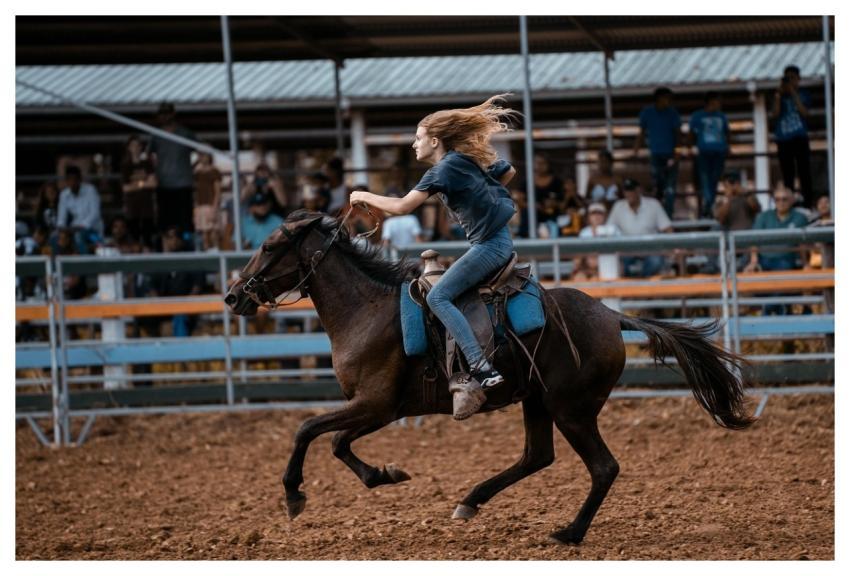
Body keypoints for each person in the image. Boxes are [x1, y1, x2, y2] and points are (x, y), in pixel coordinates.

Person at [349, 94, 518, 394]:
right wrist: (476, 200)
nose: (414, 144)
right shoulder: (461, 162)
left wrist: (364, 196)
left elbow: (401, 207)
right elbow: (507, 171)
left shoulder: (442, 170)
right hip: (496, 241)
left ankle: (481, 367)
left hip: (490, 245)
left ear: (436, 141)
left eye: (418, 138)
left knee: (437, 298)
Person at [606, 178, 672, 278]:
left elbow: (667, 228)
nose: (628, 193)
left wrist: (670, 248)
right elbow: (608, 229)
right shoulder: (618, 206)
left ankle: (642, 283)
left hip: (651, 249)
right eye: (626, 190)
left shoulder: (653, 204)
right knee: (619, 264)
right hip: (626, 250)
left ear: (638, 190)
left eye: (631, 190)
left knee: (656, 261)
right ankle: (629, 288)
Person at [148, 102, 196, 234]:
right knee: (165, 220)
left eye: (166, 113)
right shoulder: (156, 135)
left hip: (183, 184)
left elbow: (201, 151)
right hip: (164, 185)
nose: (164, 117)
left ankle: (188, 246)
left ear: (173, 114)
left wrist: (193, 169)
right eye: (161, 114)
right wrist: (154, 173)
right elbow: (148, 155)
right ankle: (166, 247)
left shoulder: (185, 133)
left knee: (185, 220)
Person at [634, 87, 683, 217]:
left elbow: (678, 134)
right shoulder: (647, 113)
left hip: (670, 154)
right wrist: (636, 149)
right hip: (655, 155)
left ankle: (668, 214)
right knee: (657, 185)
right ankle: (658, 213)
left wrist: (677, 152)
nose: (669, 101)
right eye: (666, 98)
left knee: (670, 187)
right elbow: (641, 133)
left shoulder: (673, 113)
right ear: (658, 99)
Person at [772, 65, 814, 208]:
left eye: (792, 78)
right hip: (783, 139)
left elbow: (805, 112)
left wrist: (793, 92)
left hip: (800, 137)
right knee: (787, 174)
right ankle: (789, 202)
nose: (789, 81)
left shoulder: (804, 94)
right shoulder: (779, 95)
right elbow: (775, 114)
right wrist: (779, 95)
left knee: (804, 171)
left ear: (798, 79)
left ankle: (808, 202)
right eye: (787, 78)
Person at [689, 92, 730, 217]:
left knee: (715, 179)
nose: (719, 104)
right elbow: (691, 134)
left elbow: (727, 133)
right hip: (703, 152)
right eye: (717, 101)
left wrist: (728, 147)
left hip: (719, 152)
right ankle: (708, 205)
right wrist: (692, 147)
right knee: (705, 179)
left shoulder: (722, 116)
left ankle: (708, 205)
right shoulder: (697, 116)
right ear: (710, 102)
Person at [120, 134, 158, 248]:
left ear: (141, 147)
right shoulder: (125, 166)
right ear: (129, 148)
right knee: (134, 239)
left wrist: (137, 184)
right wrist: (143, 184)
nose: (136, 148)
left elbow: (153, 183)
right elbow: (125, 188)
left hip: (147, 208)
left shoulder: (147, 164)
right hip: (132, 208)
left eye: (138, 145)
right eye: (133, 145)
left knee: (148, 239)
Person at [56, 165, 103, 254]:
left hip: (93, 230)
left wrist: (80, 227)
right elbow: (61, 218)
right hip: (73, 229)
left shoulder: (91, 190)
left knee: (78, 236)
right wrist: (61, 229)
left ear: (80, 179)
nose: (72, 182)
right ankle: (57, 266)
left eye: (75, 179)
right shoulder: (64, 195)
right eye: (69, 180)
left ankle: (84, 264)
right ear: (66, 181)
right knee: (55, 237)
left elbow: (95, 214)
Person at [573, 202, 621, 281]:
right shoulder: (584, 232)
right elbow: (579, 256)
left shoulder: (613, 229)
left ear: (605, 216)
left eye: (600, 213)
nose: (596, 216)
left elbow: (620, 250)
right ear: (589, 216)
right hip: (587, 267)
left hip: (607, 267)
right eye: (593, 213)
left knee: (595, 279)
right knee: (579, 278)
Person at [193, 151, 222, 251]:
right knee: (204, 234)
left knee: (213, 233)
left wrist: (215, 207)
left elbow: (217, 191)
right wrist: (196, 206)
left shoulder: (214, 171)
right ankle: (207, 253)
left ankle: (216, 253)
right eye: (200, 155)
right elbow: (195, 191)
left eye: (204, 155)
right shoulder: (197, 172)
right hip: (200, 206)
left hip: (211, 205)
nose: (202, 157)